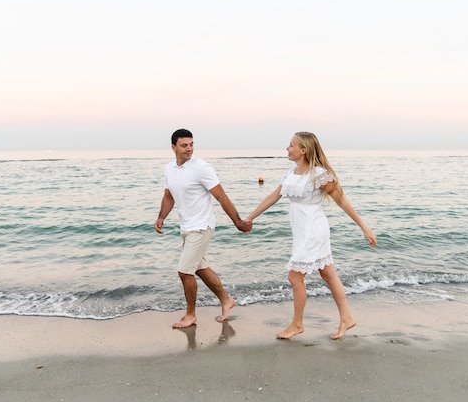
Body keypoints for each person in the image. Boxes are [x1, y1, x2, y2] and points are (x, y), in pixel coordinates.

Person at [247, 132, 376, 340]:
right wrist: (250, 218)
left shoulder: (320, 174)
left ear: (303, 150)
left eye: (291, 145)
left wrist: (364, 227)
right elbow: (273, 196)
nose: (287, 148)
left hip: (313, 230)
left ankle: (297, 324)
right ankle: (347, 318)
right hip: (301, 231)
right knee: (328, 274)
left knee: (294, 276)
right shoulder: (291, 173)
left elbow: (342, 201)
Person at [155, 129, 252, 329]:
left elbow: (221, 197)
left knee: (184, 271)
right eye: (184, 145)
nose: (189, 148)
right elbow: (169, 195)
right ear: (173, 147)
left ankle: (191, 314)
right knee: (199, 268)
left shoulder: (202, 168)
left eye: (191, 144)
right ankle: (226, 300)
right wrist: (161, 216)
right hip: (187, 227)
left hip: (201, 226)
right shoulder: (169, 169)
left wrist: (238, 221)